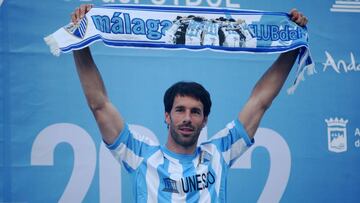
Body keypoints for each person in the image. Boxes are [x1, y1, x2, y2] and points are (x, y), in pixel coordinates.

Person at [71, 4, 308, 202]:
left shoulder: (219, 153)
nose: (187, 118)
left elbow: (260, 101)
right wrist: (79, 42)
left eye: (195, 112)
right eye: (180, 110)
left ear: (205, 120)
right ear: (167, 116)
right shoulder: (140, 155)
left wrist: (291, 47)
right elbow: (99, 105)